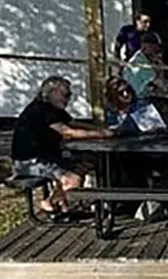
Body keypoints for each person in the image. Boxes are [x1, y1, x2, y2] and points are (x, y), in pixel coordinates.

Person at [10, 76, 113, 214]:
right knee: (73, 179)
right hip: (31, 161)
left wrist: (101, 128)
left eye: (69, 94)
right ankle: (49, 202)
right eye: (65, 94)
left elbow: (74, 123)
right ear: (52, 92)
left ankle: (60, 199)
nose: (68, 98)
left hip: (50, 156)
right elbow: (68, 132)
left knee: (90, 159)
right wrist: (103, 134)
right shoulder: (42, 110)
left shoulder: (54, 108)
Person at [122, 33, 166, 99]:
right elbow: (159, 83)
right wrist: (160, 66)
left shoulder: (139, 56)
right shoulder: (141, 62)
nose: (155, 50)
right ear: (146, 46)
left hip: (135, 96)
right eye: (154, 47)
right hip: (136, 99)